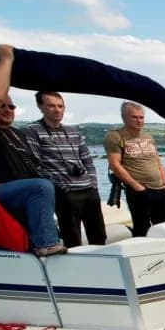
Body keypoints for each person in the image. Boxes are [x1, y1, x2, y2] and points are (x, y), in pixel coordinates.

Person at [0, 44, 65, 256]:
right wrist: (6, 59)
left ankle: (60, 247)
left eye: (12, 106)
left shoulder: (17, 134)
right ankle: (46, 244)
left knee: (57, 189)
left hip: (16, 190)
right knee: (39, 187)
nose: (7, 109)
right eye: (3, 106)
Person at [24, 91, 106, 247]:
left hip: (88, 190)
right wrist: (60, 187)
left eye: (60, 106)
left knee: (99, 235)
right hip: (65, 193)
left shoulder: (73, 131)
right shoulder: (32, 131)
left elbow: (87, 160)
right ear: (40, 107)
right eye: (51, 106)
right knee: (72, 238)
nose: (57, 110)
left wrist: (93, 183)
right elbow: (34, 165)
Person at [105, 102, 165, 237]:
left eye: (141, 117)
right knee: (142, 227)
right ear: (124, 117)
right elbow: (115, 165)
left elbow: (157, 161)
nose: (139, 120)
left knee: (163, 226)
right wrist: (136, 186)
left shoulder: (148, 137)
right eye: (134, 117)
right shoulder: (115, 136)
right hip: (139, 190)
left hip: (160, 189)